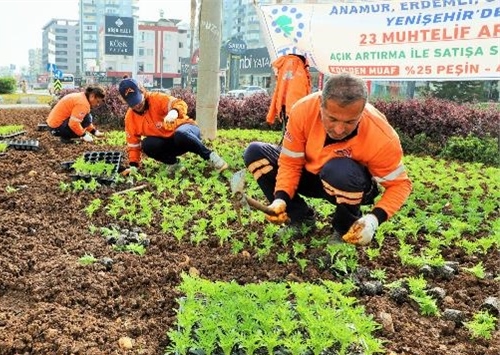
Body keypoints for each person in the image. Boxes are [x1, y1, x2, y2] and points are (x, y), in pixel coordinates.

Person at [243, 73, 412, 245]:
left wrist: (374, 220)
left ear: (362, 112)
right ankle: (300, 219)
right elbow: (290, 162)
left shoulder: (381, 136)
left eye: (350, 122)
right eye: (332, 119)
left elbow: (400, 185)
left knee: (341, 170)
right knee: (255, 153)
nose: (339, 129)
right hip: (312, 175)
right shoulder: (303, 110)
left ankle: (345, 228)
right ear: (320, 105)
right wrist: (280, 199)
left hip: (351, 183)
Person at [117, 78, 228, 175]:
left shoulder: (156, 98)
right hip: (168, 143)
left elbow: (180, 103)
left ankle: (211, 157)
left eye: (138, 99)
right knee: (147, 145)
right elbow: (133, 145)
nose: (137, 105)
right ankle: (174, 164)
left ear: (142, 91)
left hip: (186, 131)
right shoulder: (130, 118)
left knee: (180, 134)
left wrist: (174, 112)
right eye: (133, 103)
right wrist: (133, 166)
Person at [266, 53, 312, 128]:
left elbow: (277, 91)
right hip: (294, 110)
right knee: (293, 134)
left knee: (287, 134)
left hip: (284, 107)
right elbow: (298, 93)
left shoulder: (285, 66)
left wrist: (271, 116)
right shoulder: (298, 68)